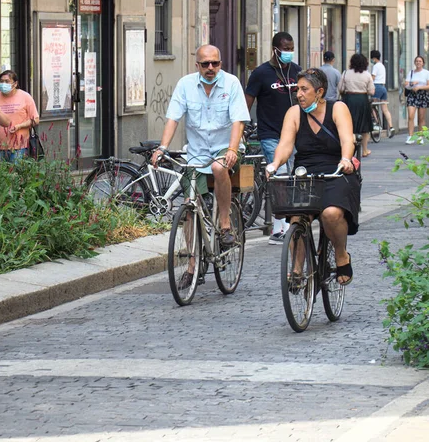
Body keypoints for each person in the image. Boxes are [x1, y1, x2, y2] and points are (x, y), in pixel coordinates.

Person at [151, 45, 250, 287]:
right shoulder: (185, 85)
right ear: (197, 65)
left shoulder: (231, 83)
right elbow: (173, 118)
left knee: (218, 168)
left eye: (215, 63)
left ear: (220, 63)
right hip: (195, 153)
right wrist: (163, 147)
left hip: (225, 147)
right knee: (188, 206)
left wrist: (232, 150)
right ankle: (193, 265)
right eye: (205, 64)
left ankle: (225, 224)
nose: (210, 68)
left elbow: (238, 121)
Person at [266, 68, 360, 285]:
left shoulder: (337, 108)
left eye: (304, 89)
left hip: (336, 171)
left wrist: (346, 159)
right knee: (297, 218)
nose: (298, 94)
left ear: (319, 92)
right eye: (297, 89)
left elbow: (348, 140)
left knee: (331, 214)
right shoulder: (294, 113)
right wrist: (274, 163)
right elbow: (285, 145)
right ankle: (297, 270)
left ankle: (341, 255)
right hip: (305, 173)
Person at [245, 32, 301, 243]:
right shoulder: (261, 73)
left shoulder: (297, 71)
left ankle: (289, 223)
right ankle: (279, 228)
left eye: (291, 48)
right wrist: (241, 127)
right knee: (281, 177)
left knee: (294, 177)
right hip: (270, 134)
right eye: (285, 49)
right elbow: (247, 101)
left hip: (295, 134)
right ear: (275, 49)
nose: (289, 52)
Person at [0, 70, 39, 162]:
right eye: (1, 81)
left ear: (15, 83)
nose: (3, 84)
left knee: (15, 174)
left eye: (7, 81)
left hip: (19, 147)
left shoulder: (25, 97)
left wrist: (19, 126)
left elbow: (35, 120)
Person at [338, 53, 375, 158]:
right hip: (362, 100)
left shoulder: (346, 73)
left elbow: (340, 88)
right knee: (364, 127)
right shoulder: (367, 75)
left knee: (349, 125)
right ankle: (365, 150)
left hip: (348, 100)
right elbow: (371, 91)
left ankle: (350, 149)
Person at [404, 55, 429, 144]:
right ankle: (410, 136)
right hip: (412, 95)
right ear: (415, 63)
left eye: (420, 61)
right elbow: (406, 84)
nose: (418, 63)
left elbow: (428, 85)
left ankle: (420, 136)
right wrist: (412, 83)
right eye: (417, 61)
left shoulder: (426, 73)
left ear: (423, 63)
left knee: (421, 117)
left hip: (423, 95)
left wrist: (419, 87)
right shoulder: (411, 73)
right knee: (411, 115)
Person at [370, 50, 395, 138]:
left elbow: (372, 78)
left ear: (373, 58)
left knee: (372, 105)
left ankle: (376, 124)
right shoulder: (382, 66)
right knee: (385, 109)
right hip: (383, 88)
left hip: (377, 87)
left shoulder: (376, 66)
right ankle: (391, 127)